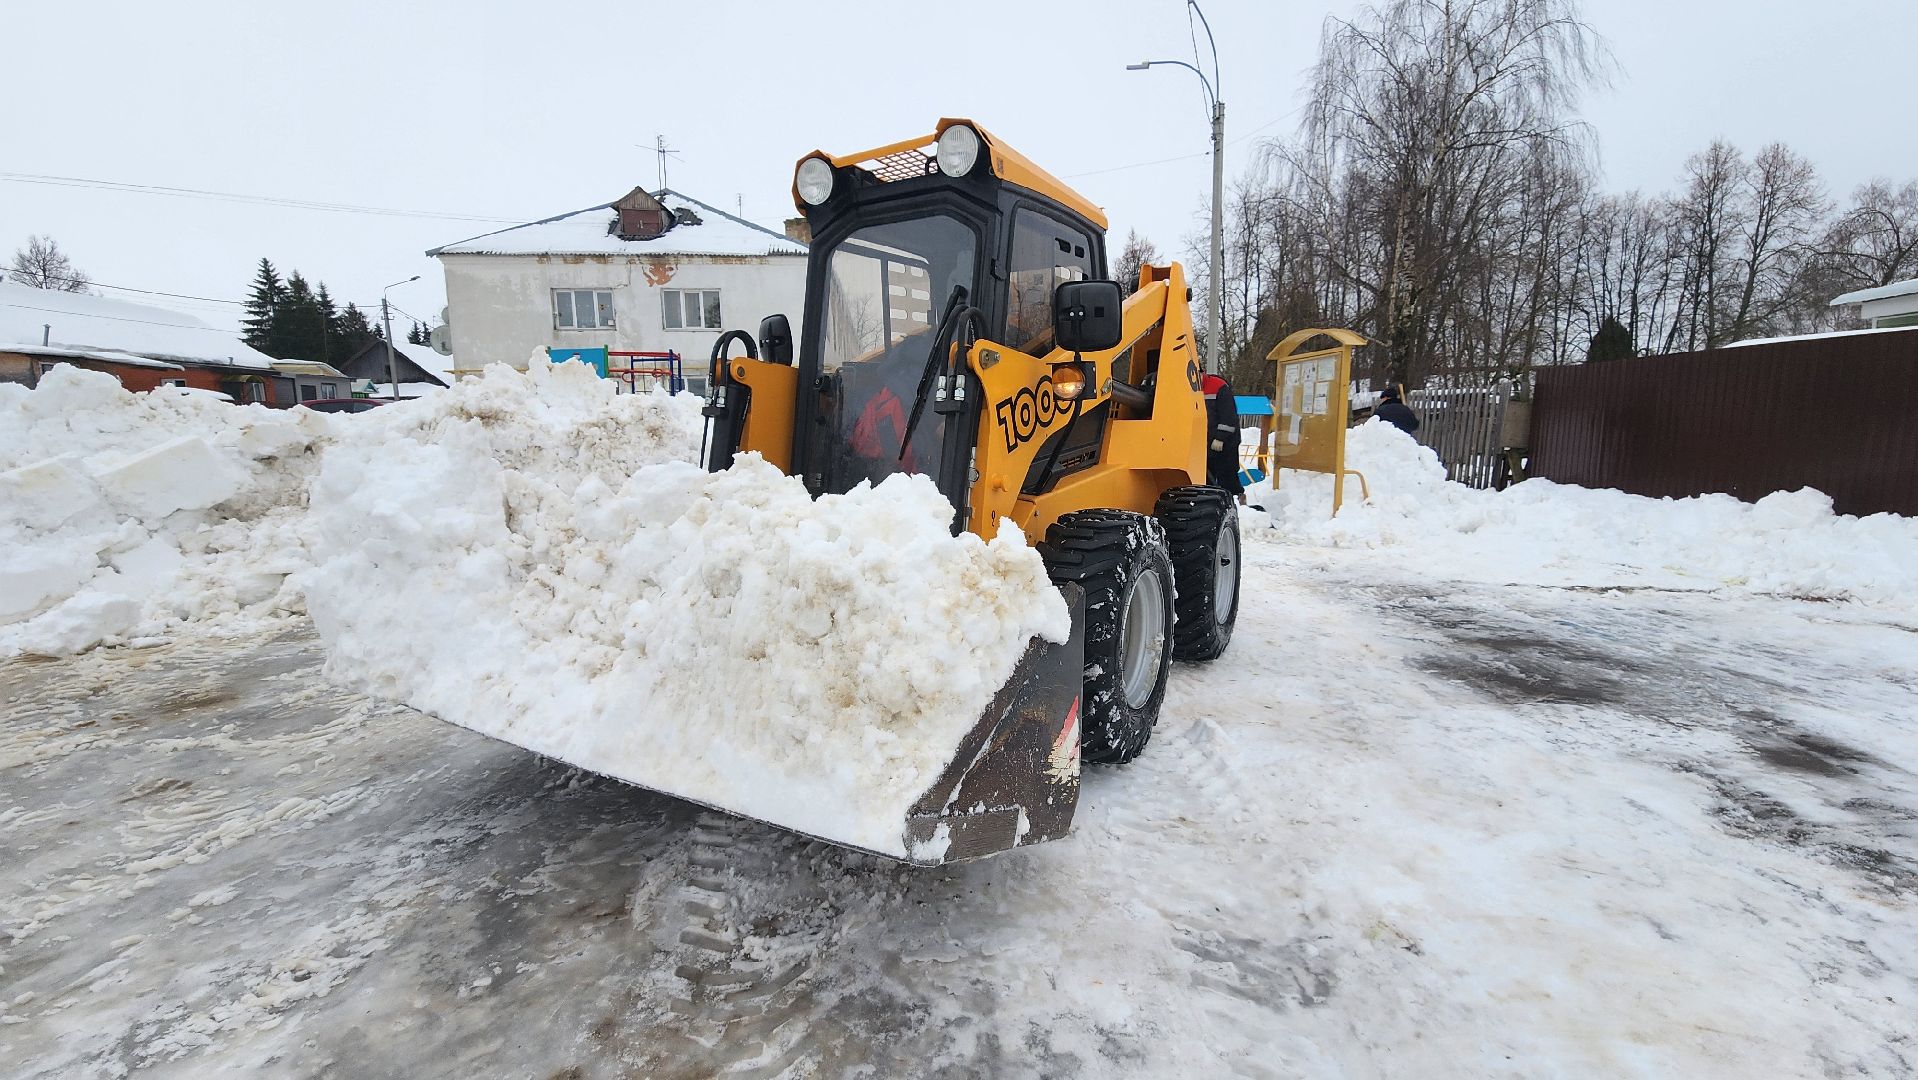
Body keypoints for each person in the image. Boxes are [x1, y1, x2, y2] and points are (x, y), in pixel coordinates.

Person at [1200, 372, 1245, 501]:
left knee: (1228, 477)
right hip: (1206, 445)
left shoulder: (1218, 387)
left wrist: (1220, 438)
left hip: (1226, 444)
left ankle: (1237, 501)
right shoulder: (1189, 389)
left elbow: (1229, 418)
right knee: (1207, 481)